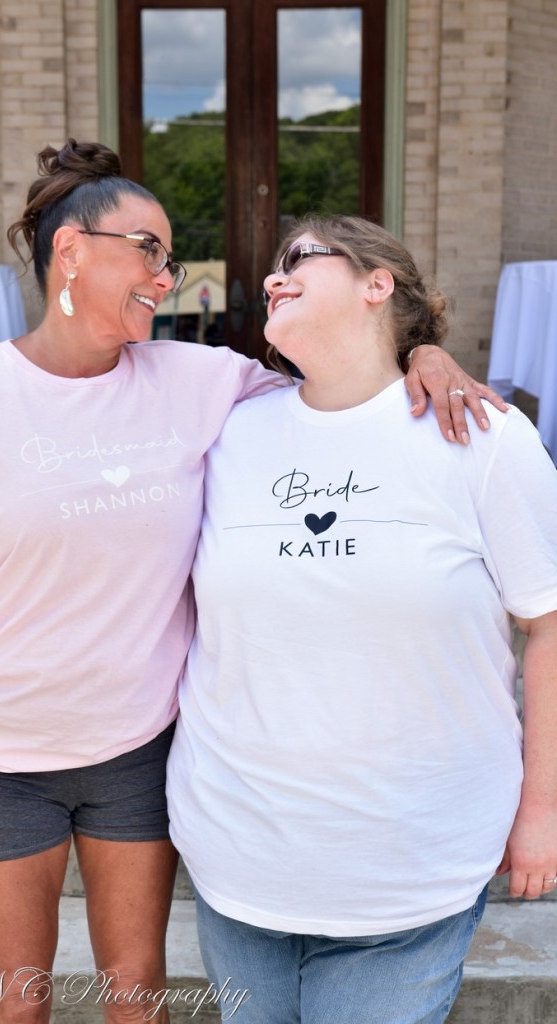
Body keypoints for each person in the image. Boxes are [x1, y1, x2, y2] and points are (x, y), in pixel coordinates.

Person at [0, 141, 505, 1024]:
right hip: (0, 754)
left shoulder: (201, 380)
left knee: (137, 998)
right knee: (15, 1004)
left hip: (139, 749)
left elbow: (342, 380)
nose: (166, 278)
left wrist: (424, 354)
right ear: (71, 250)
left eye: (169, 259)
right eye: (148, 251)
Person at [166, 215, 557, 1024]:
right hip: (238, 861)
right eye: (272, 268)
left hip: (410, 873)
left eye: (299, 258)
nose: (272, 277)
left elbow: (549, 623)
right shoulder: (226, 428)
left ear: (378, 283)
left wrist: (543, 807)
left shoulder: (481, 435)